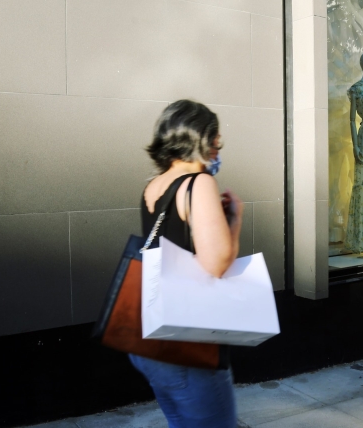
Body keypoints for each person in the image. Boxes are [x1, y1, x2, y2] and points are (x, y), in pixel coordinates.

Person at [130, 99, 243, 428]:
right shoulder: (199, 183)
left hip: (150, 338)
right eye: (216, 143)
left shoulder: (154, 186)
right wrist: (234, 220)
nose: (217, 152)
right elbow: (217, 263)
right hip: (187, 343)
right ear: (202, 140)